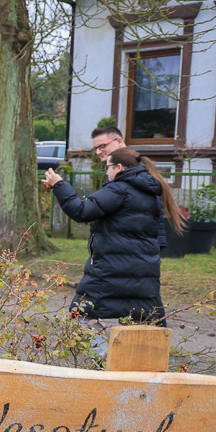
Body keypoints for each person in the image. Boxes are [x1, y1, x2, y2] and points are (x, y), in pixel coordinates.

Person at [44, 147, 186, 348]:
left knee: (82, 312)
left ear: (119, 167)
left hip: (111, 269)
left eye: (107, 167)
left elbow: (81, 211)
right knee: (144, 316)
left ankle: (104, 359)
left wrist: (60, 184)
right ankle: (147, 362)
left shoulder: (119, 189)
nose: (106, 173)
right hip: (142, 269)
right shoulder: (147, 190)